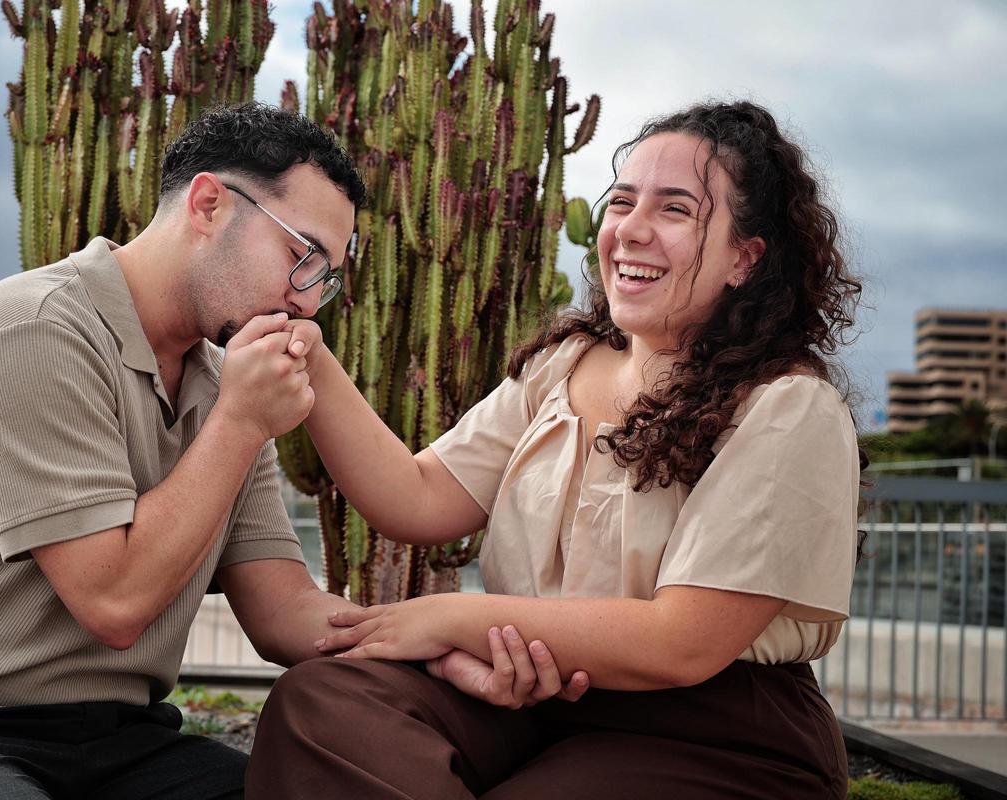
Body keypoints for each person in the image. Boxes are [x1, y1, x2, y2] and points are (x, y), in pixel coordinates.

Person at [0, 104, 584, 800]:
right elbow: (113, 605)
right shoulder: (35, 328)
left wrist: (441, 649)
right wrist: (241, 422)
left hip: (118, 740)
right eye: (302, 255)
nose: (306, 301)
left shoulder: (221, 382)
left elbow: (283, 613)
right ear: (209, 204)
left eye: (327, 279)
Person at [246, 100, 864, 799]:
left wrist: (449, 620)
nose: (631, 229)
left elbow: (682, 641)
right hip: (533, 701)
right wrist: (308, 352)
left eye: (675, 210)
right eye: (622, 202)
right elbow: (418, 499)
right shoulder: (563, 365)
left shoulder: (788, 407)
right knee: (322, 704)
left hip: (715, 731)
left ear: (744, 259)